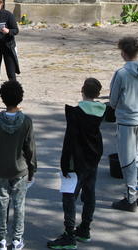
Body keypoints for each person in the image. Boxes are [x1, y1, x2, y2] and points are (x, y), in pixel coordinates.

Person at [47, 78, 106, 250]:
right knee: (89, 194)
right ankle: (85, 228)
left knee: (69, 196)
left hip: (76, 160)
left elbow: (69, 140)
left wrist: (64, 163)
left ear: (82, 90)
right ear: (98, 94)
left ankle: (69, 234)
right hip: (92, 160)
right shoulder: (101, 111)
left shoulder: (76, 113)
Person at [0, 80, 36, 250]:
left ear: (3, 98)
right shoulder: (26, 122)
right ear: (20, 98)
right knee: (19, 205)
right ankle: (17, 239)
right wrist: (32, 169)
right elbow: (30, 149)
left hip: (0, 169)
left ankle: (0, 239)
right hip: (20, 170)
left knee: (1, 205)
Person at [109, 37, 138, 212]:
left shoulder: (121, 73)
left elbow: (113, 99)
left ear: (123, 52)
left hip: (127, 120)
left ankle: (130, 197)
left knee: (127, 160)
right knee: (136, 154)